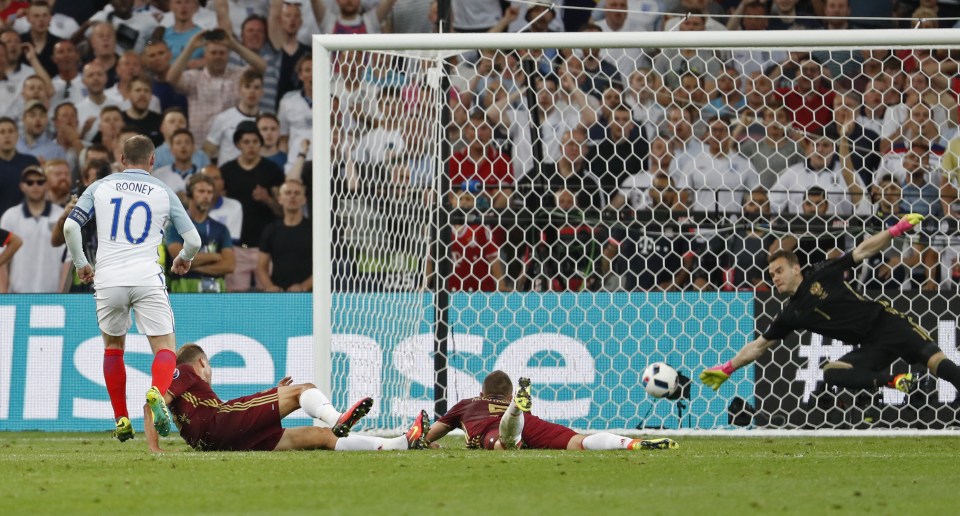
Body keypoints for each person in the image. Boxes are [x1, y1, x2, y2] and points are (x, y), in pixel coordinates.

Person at [700, 213, 960, 397]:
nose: (775, 278)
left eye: (779, 271)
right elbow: (759, 346)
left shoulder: (821, 273)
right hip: (870, 346)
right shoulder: (791, 314)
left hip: (889, 323)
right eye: (772, 275)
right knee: (832, 373)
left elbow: (862, 251)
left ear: (795, 268)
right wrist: (727, 368)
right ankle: (896, 381)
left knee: (940, 365)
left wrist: (895, 230)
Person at [62, 135, 202, 443]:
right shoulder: (164, 191)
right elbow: (194, 241)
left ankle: (121, 418)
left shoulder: (100, 186)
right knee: (164, 346)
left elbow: (71, 227)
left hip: (108, 278)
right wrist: (182, 259)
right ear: (153, 161)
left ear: (122, 160)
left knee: (113, 347)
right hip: (146, 277)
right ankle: (157, 391)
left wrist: (81, 264)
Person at [143, 343, 429, 453]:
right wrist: (155, 451)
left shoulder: (194, 399)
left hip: (219, 442)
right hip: (221, 423)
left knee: (319, 437)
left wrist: (273, 394)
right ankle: (337, 418)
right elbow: (151, 404)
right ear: (203, 362)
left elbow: (158, 406)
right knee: (302, 389)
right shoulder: (183, 371)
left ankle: (400, 443)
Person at [424, 371, 677, 451]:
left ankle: (513, 416)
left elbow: (429, 436)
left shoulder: (467, 404)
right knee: (579, 441)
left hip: (492, 429)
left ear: (482, 393)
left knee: (502, 445)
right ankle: (630, 443)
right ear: (510, 395)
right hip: (530, 422)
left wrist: (430, 445)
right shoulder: (506, 400)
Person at [166, 173, 235, 293]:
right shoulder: (174, 226)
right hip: (183, 290)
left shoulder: (221, 229)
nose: (206, 196)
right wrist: (215, 256)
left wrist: (193, 267)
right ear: (189, 195)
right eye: (201, 191)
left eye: (209, 192)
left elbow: (229, 265)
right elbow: (179, 258)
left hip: (216, 291)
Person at [257, 179, 311, 292]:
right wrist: (270, 286)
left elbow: (323, 266)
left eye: (297, 193)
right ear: (279, 199)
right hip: (279, 293)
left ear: (304, 200)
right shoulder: (271, 230)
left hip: (310, 295)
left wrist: (304, 286)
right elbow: (262, 266)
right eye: (288, 193)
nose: (292, 196)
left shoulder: (314, 230)